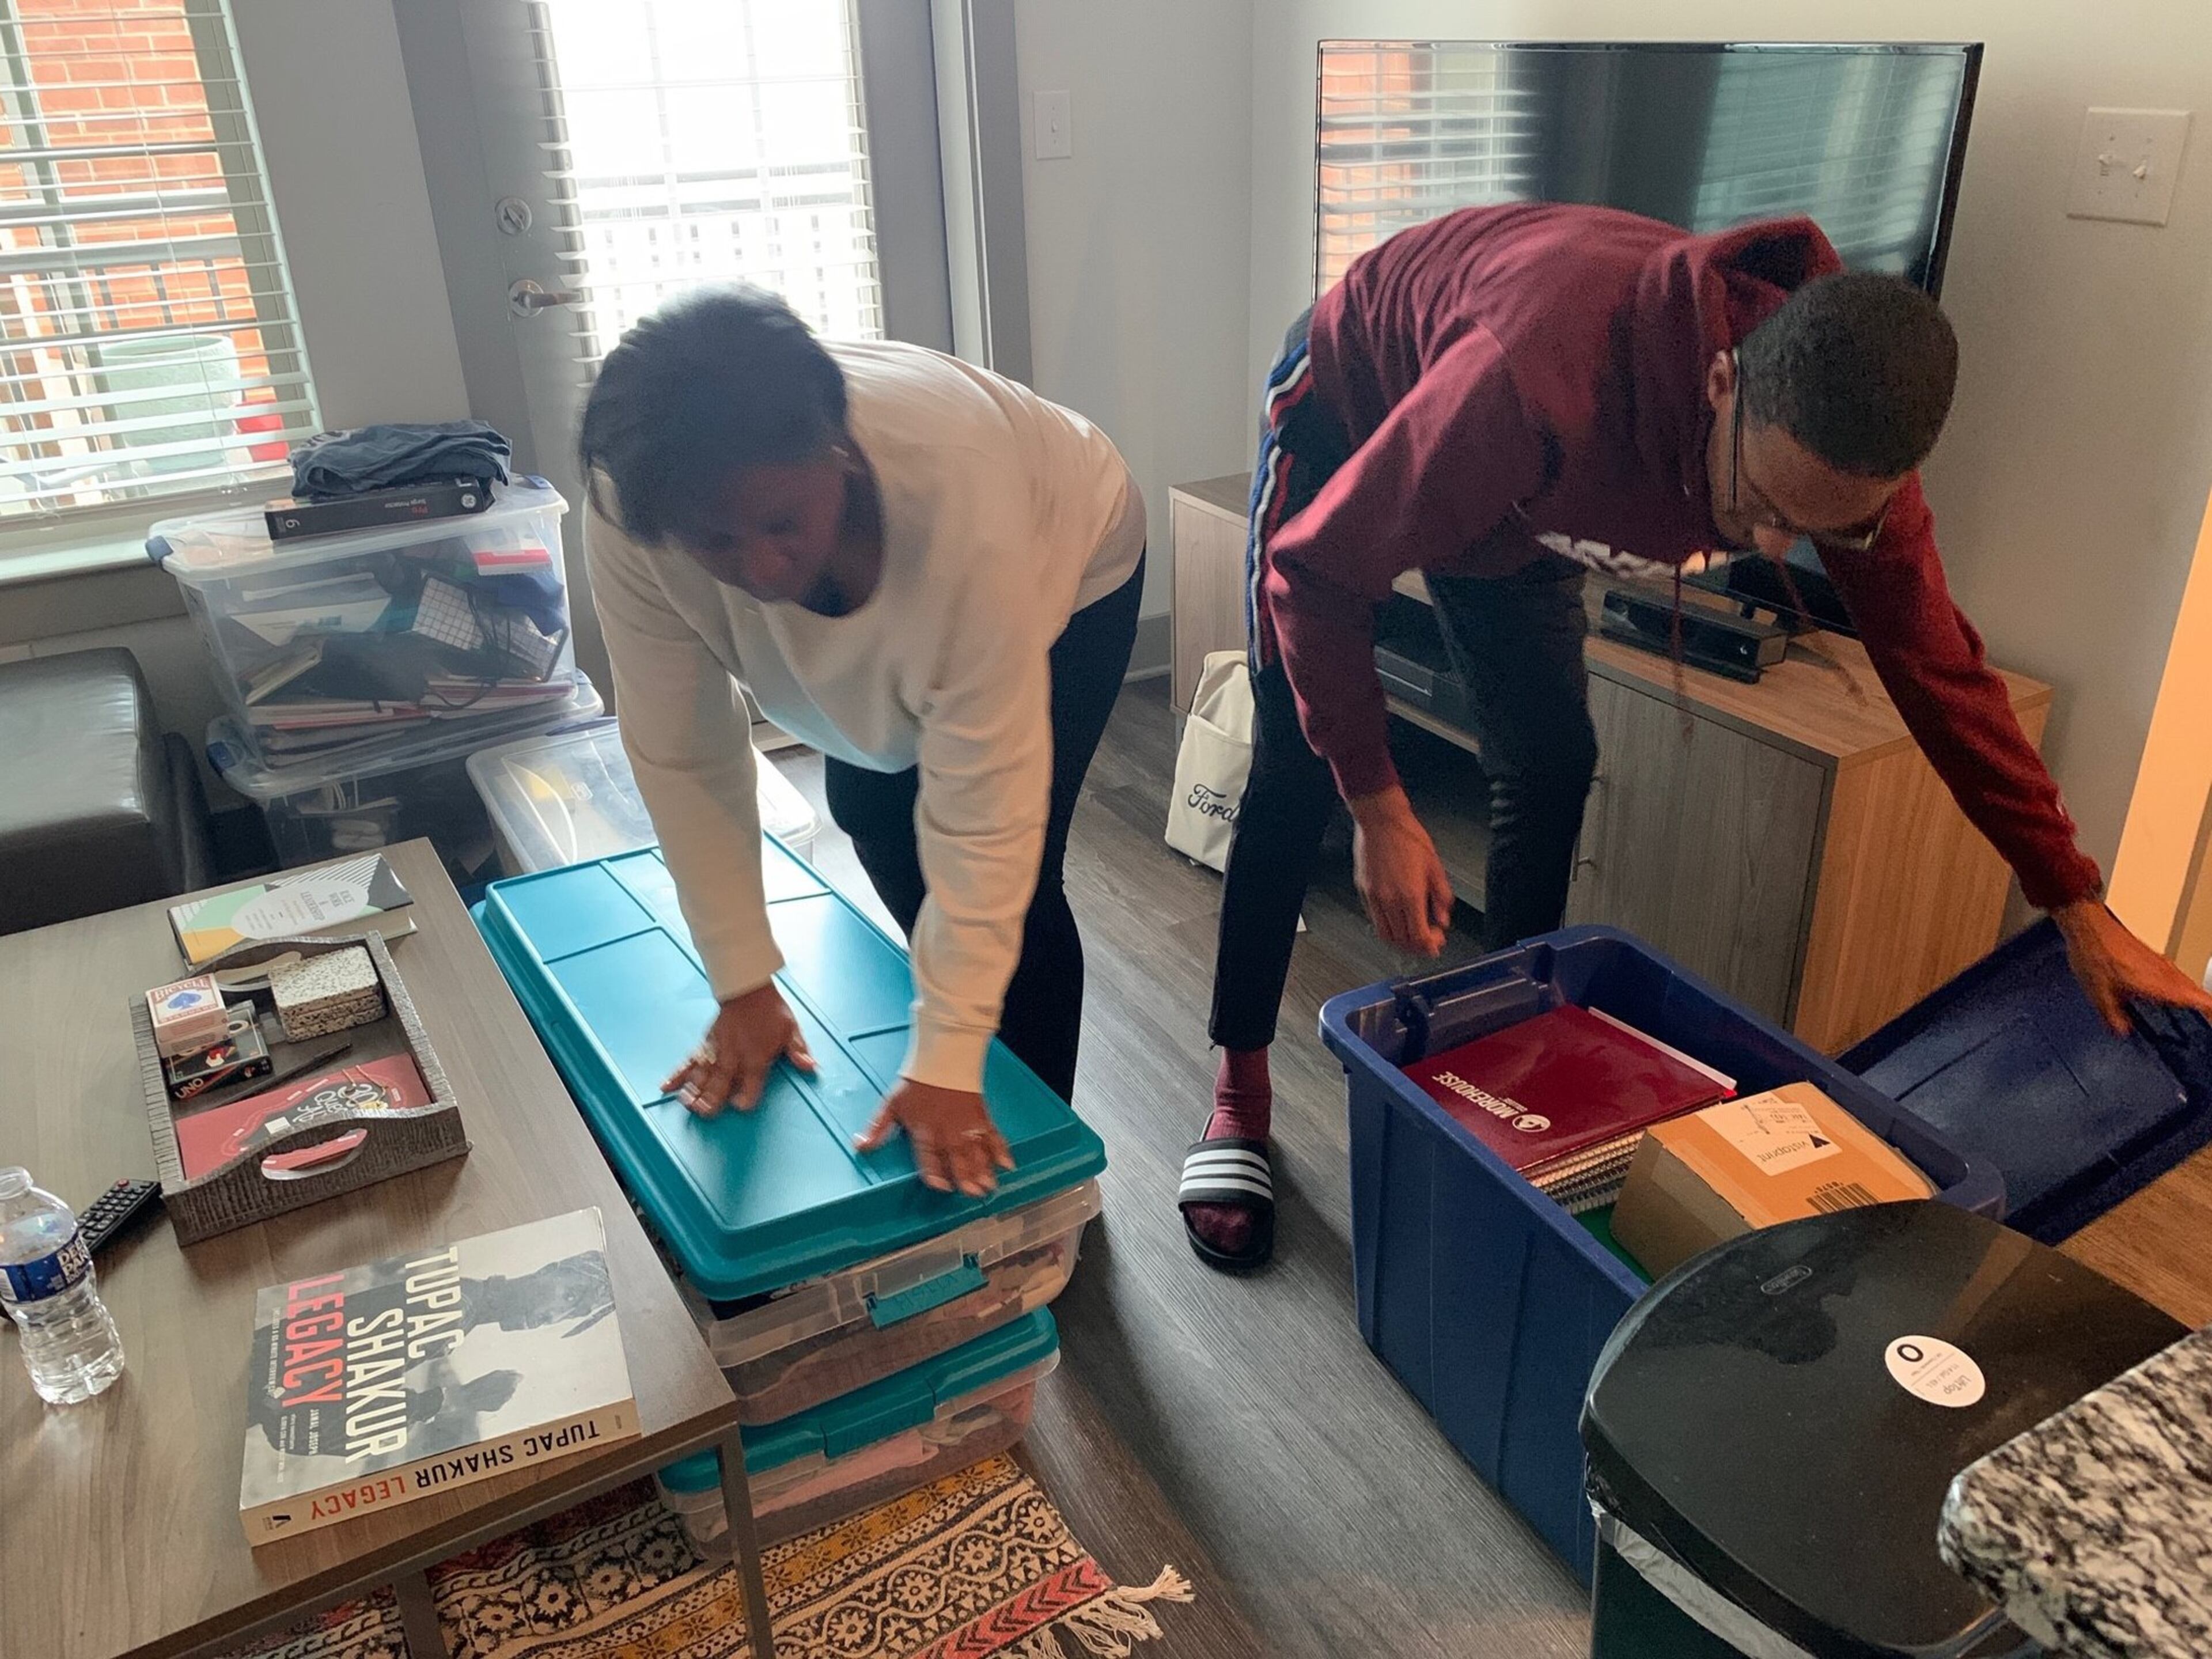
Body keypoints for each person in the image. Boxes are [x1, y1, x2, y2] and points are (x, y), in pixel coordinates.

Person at [1179, 202, 2212, 1271]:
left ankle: (1498, 1064)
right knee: (1299, 762)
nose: (1773, 543)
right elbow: (1312, 572)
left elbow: (1941, 675)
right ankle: (1238, 1093)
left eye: (1818, 528)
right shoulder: (1532, 381)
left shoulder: (1848, 475)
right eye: (1762, 501)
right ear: (1721, 384)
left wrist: (2077, 902)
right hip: (1360, 401)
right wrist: (1382, 807)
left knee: (1553, 761)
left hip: (1519, 506)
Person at [579, 286, 1144, 1199]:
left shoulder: (963, 507)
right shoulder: (631, 508)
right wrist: (742, 985)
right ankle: (972, 1060)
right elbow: (684, 753)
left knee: (1018, 875)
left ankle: (1040, 1170)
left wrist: (949, 1055)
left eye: (780, 525)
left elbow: (986, 815)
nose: (757, 570)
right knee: (873, 811)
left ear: (837, 454)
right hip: (924, 546)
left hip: (1071, 548)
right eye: (715, 543)